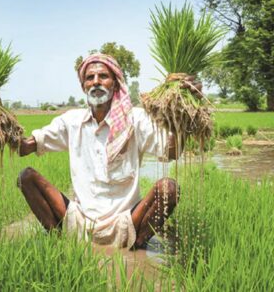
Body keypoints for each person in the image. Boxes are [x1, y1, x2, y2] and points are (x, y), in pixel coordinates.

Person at [17, 54, 201, 249]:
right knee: (26, 177)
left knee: (169, 189)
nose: (96, 82)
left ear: (115, 83)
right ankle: (59, 243)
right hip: (79, 220)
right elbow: (25, 147)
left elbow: (171, 152)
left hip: (127, 221)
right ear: (83, 86)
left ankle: (136, 248)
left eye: (103, 76)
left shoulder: (134, 120)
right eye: (89, 78)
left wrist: (182, 117)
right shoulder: (71, 122)